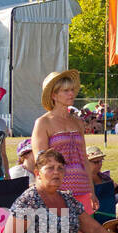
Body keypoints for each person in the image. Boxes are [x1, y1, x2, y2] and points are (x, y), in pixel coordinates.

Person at [32, 69, 94, 215]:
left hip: (82, 187)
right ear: (53, 95)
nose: (71, 94)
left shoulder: (77, 122)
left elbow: (84, 158)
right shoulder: (43, 122)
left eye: (72, 90)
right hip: (57, 189)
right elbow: (40, 161)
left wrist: (92, 190)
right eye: (65, 91)